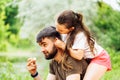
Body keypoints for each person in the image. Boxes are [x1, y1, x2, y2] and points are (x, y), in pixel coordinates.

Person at [54, 10, 111, 80]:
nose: (57, 30)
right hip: (87, 59)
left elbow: (79, 56)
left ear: (71, 29)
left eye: (61, 30)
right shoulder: (65, 33)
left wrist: (64, 46)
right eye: (56, 27)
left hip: (99, 58)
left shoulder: (80, 35)